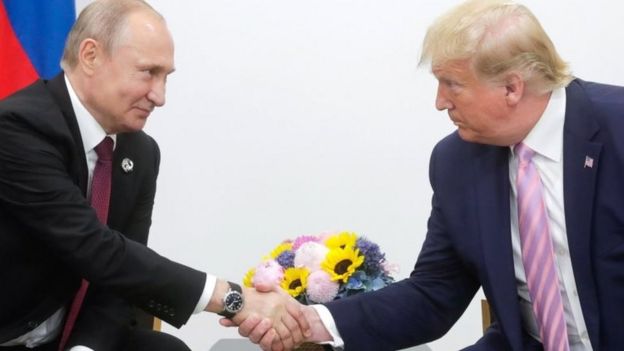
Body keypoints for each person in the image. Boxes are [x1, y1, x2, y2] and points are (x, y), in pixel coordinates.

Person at [234, 0, 624, 350]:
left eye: (452, 85)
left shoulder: (616, 126)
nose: (439, 103)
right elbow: (434, 294)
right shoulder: (456, 161)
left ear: (511, 87)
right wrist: (309, 323)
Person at [0, 1, 309, 351]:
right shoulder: (17, 128)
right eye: (148, 72)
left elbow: (117, 283)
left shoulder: (140, 152)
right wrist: (231, 297)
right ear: (90, 56)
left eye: (166, 77)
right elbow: (95, 249)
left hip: (62, 339)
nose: (159, 96)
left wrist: (85, 350)